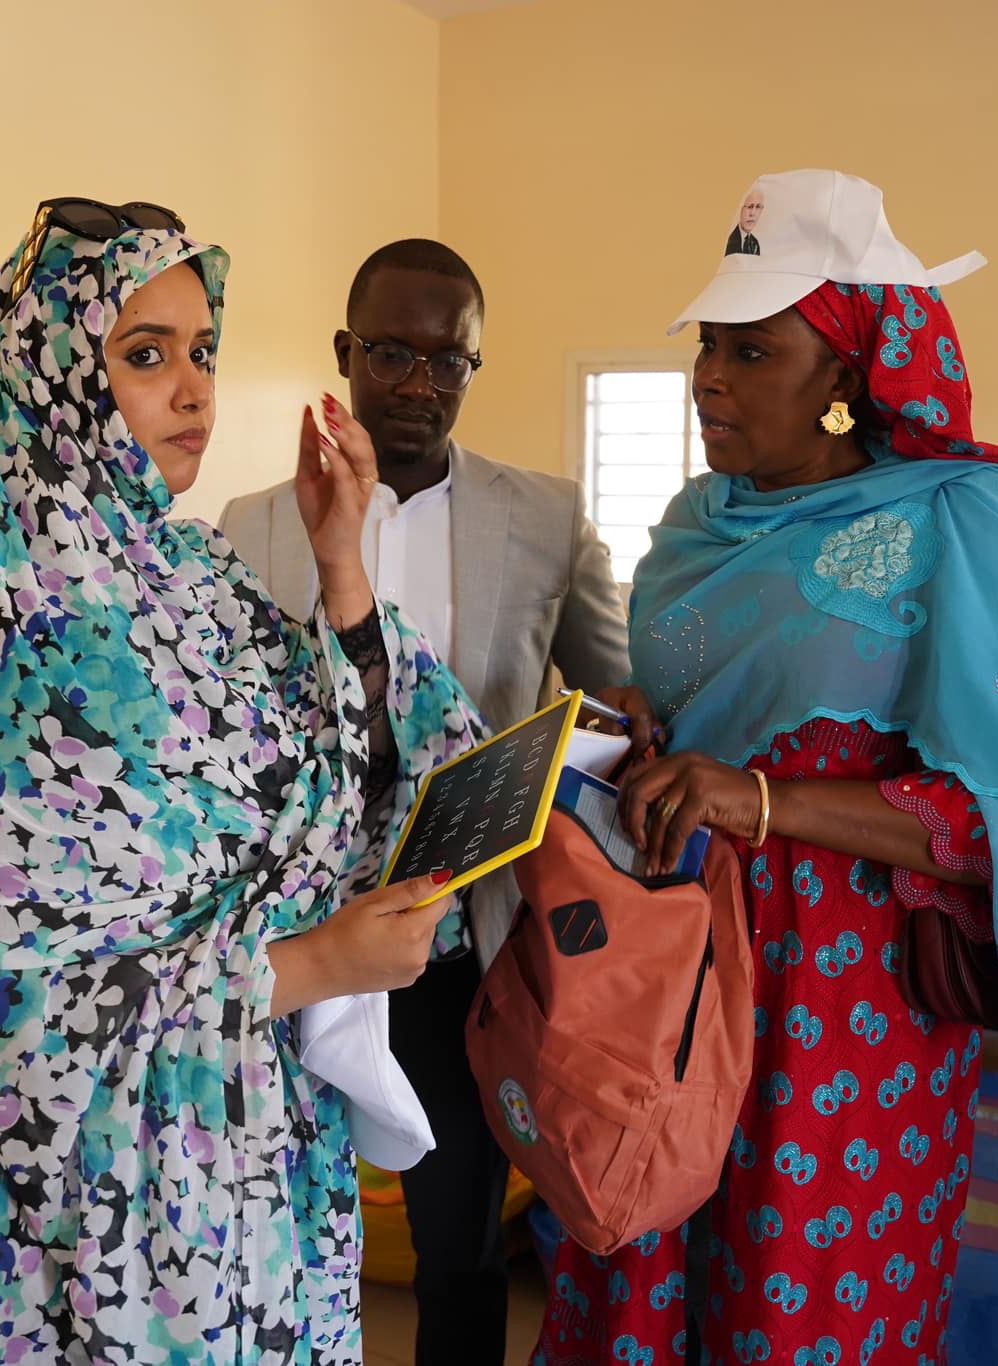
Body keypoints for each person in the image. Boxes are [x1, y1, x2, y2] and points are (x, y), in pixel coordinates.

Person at [0, 198, 489, 1363]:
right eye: (143, 355)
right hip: (47, 1245)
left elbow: (351, 760)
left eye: (200, 352)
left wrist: (341, 563)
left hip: (234, 1181)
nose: (193, 391)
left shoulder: (177, 566)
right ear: (49, 372)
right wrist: (314, 964)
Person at [534, 169, 998, 1366]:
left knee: (801, 1290)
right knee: (636, 1253)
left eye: (750, 352)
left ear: (843, 376)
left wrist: (758, 799)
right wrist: (637, 732)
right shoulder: (693, 520)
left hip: (841, 997)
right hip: (665, 962)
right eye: (707, 346)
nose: (709, 376)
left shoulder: (956, 521)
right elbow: (689, 716)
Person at [221, 238, 630, 1366]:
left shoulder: (543, 516)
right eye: (391, 352)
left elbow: (609, 693)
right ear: (345, 353)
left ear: (473, 370)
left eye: (447, 362)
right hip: (291, 938)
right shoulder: (251, 526)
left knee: (458, 1236)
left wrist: (605, 735)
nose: (416, 382)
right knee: (267, 1217)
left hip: (457, 937)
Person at [725, 184, 765, 256]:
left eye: (758, 207)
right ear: (740, 208)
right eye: (750, 206)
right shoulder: (729, 240)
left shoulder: (755, 243)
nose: (752, 213)